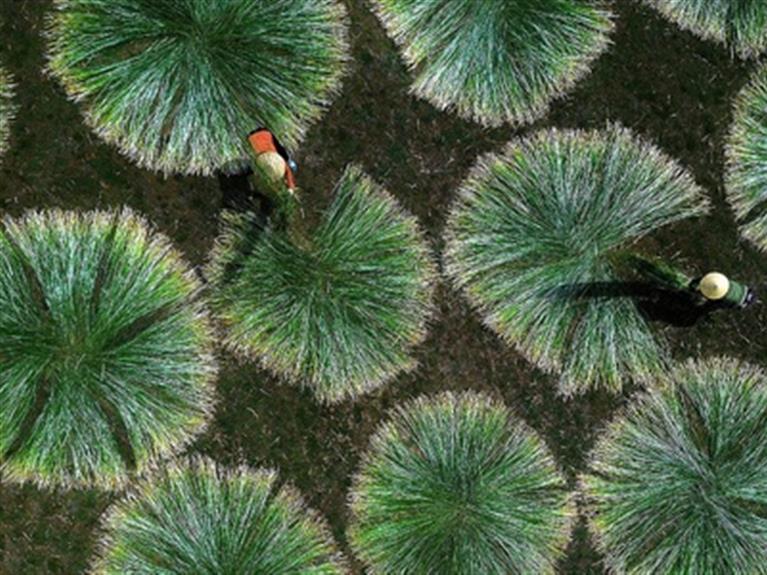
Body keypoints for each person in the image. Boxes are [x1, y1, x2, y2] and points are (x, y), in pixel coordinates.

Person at [247, 127, 297, 192]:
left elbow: (281, 149)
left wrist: (287, 159)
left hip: (261, 134)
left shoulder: (268, 134)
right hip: (252, 139)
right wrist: (290, 187)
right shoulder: (262, 166)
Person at [690, 272, 756, 309]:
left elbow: (711, 305)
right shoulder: (718, 279)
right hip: (743, 291)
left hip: (740, 299)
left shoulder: (723, 300)